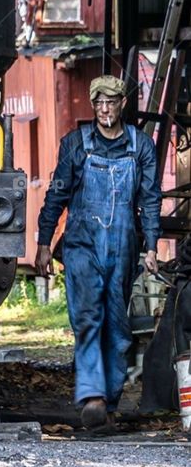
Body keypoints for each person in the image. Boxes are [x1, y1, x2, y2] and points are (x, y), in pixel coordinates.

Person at [35, 75, 162, 430]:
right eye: (98, 103)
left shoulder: (140, 147)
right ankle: (92, 395)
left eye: (111, 102)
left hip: (122, 248)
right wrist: (45, 242)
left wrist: (151, 244)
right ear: (93, 106)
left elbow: (150, 200)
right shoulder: (75, 144)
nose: (104, 109)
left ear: (123, 103)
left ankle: (108, 399)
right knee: (88, 318)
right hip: (81, 245)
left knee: (117, 328)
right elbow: (56, 195)